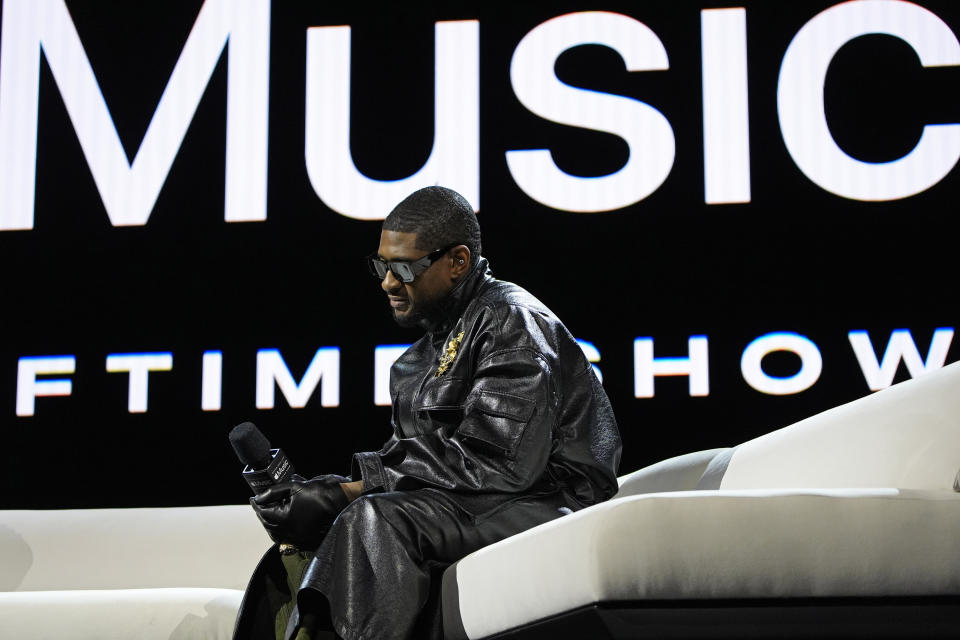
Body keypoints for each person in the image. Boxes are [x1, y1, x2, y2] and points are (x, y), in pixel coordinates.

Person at [233, 186, 621, 640]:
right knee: (308, 541)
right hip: (486, 500)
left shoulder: (511, 321)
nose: (388, 282)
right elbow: (418, 470)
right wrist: (328, 495)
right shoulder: (415, 363)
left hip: (550, 501)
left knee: (375, 520)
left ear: (457, 262)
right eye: (381, 265)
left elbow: (500, 462)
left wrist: (353, 492)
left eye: (403, 268)